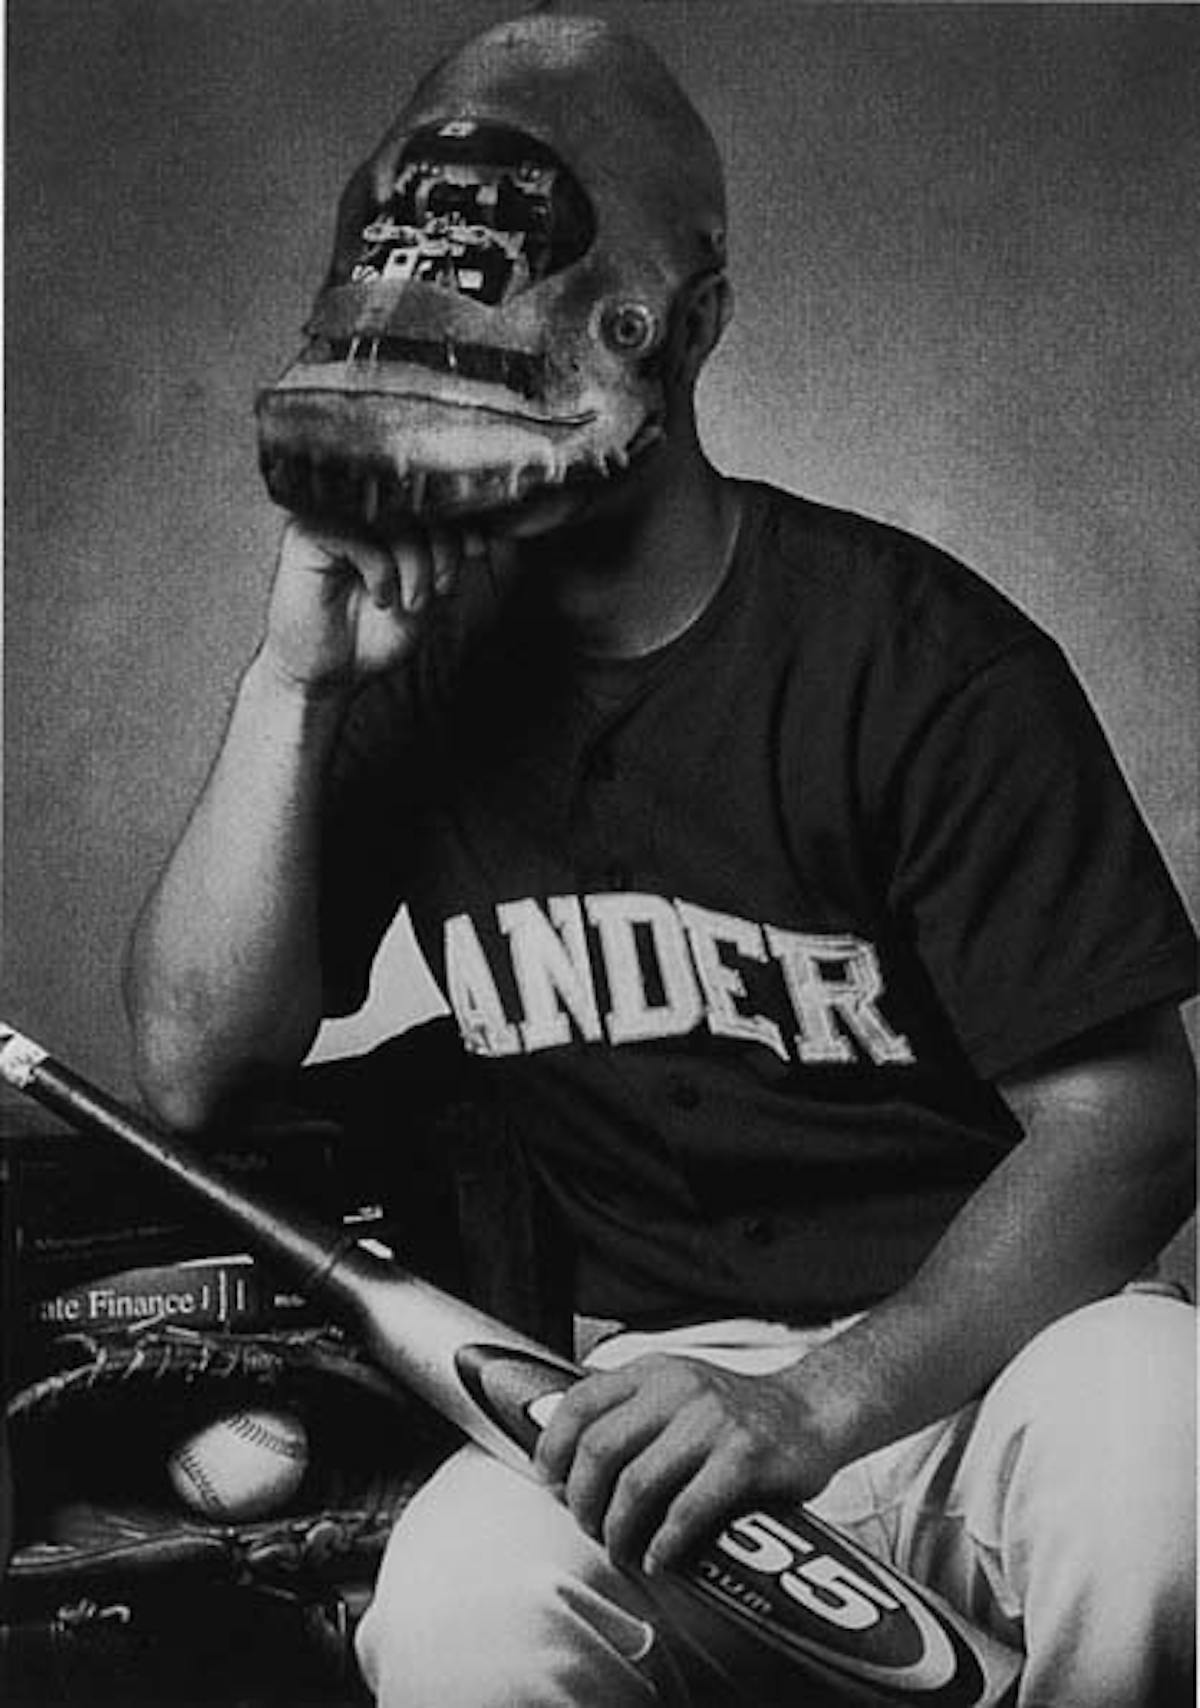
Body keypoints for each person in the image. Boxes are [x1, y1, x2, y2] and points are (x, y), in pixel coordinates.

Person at [124, 14, 1197, 1707]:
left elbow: (1130, 1126)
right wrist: (294, 686)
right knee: (462, 1598)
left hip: (992, 1364)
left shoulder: (918, 656)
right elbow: (197, 1065)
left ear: (690, 323)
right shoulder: (412, 669)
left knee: (1167, 1436)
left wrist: (820, 1402)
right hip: (650, 1391)